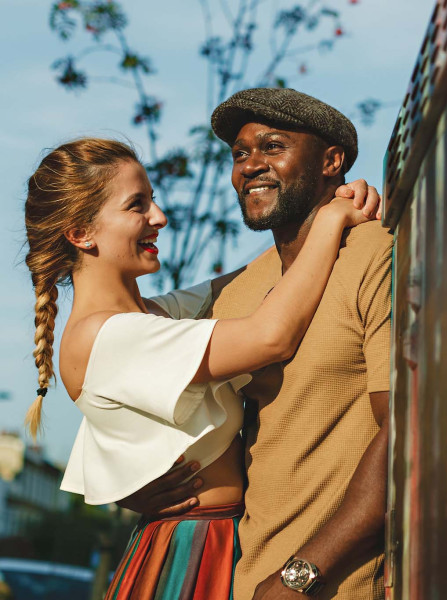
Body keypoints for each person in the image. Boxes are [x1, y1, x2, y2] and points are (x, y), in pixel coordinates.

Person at [22, 137, 381, 599]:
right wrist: (333, 217)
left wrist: (330, 204)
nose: (160, 216)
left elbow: (262, 270)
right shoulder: (107, 337)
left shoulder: (155, 318)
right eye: (137, 205)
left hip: (223, 539)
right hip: (192, 553)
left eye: (152, 198)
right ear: (80, 233)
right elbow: (271, 335)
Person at [125, 88, 393, 599]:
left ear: (331, 161)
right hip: (244, 578)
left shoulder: (374, 254)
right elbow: (124, 350)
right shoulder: (238, 289)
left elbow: (407, 433)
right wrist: (128, 483)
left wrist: (301, 575)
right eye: (240, 153)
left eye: (273, 147)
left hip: (338, 582)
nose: (250, 165)